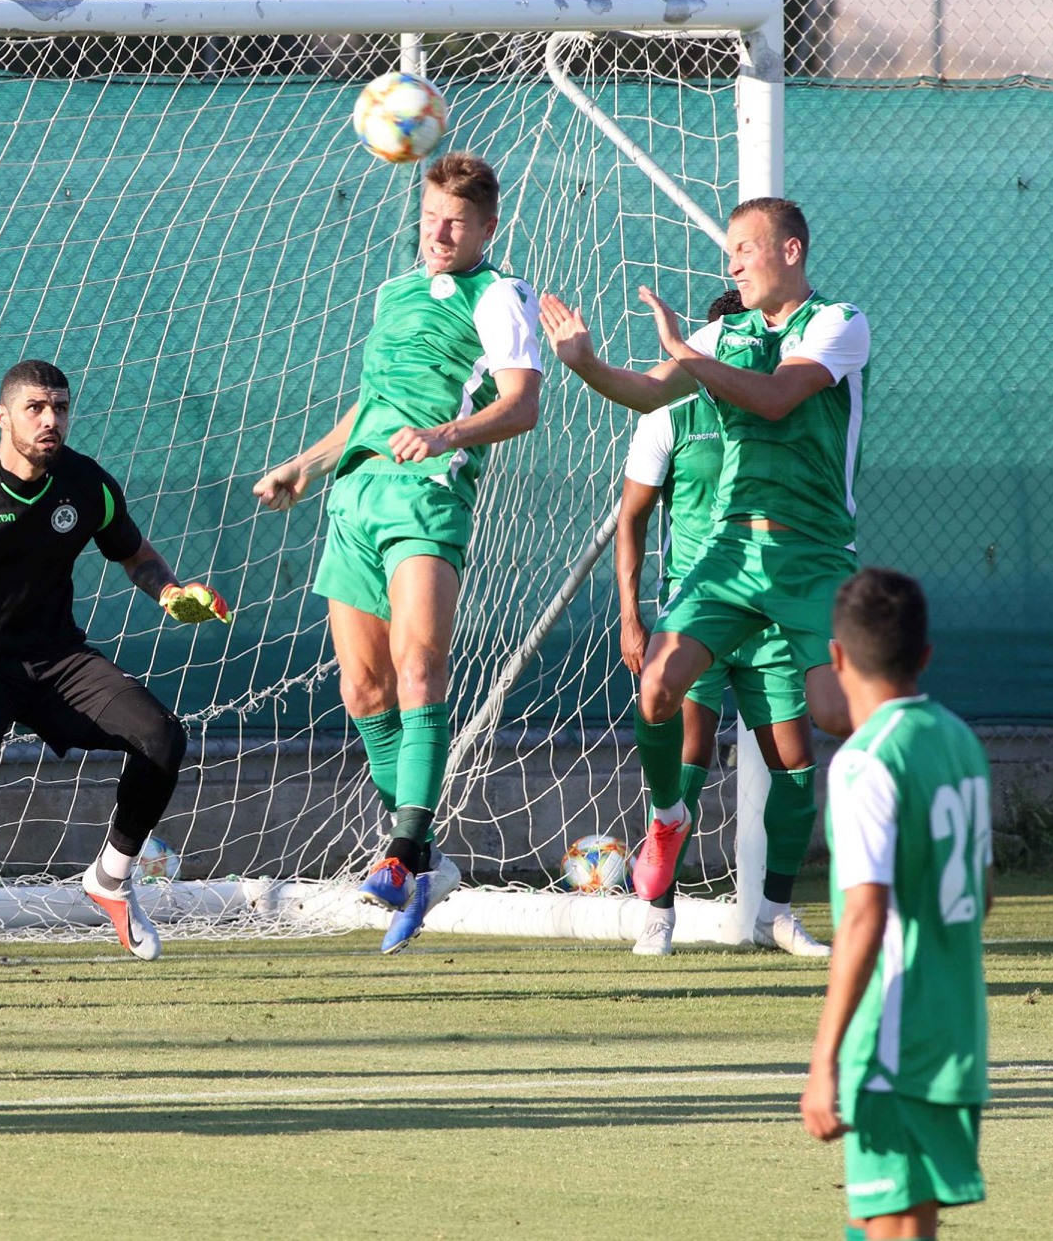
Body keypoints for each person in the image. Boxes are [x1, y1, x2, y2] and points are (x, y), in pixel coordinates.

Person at [540, 197, 866, 951]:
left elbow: (781, 398)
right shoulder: (721, 334)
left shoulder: (839, 322)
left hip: (813, 555)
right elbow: (650, 393)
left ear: (790, 250)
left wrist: (684, 350)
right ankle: (666, 818)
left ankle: (797, 898)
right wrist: (586, 363)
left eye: (744, 249)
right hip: (725, 555)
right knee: (657, 687)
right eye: (729, 253)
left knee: (832, 717)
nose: (732, 265)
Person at [0, 359, 229, 1012]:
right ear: (2, 416)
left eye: (60, 406)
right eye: (35, 407)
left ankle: (111, 878)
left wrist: (169, 590)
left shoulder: (85, 483)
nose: (51, 419)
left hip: (57, 660)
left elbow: (134, 553)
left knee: (163, 737)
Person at [253, 152, 542, 952]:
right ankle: (425, 860)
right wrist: (303, 469)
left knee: (421, 670)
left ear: (488, 226)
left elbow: (522, 404)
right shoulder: (394, 292)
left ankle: (402, 850)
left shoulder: (500, 296)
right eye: (429, 216)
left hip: (428, 493)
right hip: (354, 496)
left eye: (455, 221)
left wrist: (447, 432)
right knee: (363, 690)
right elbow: (369, 407)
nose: (438, 232)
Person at [614, 289, 828, 957]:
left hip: (769, 615)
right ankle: (658, 913)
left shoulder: (785, 414)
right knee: (687, 762)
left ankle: (775, 915)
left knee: (794, 764)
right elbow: (633, 518)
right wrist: (631, 613)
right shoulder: (671, 414)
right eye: (731, 341)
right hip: (700, 608)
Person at [802, 568, 990, 1240]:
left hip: (892, 1038)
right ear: (926, 656)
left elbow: (864, 914)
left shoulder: (864, 762)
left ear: (837, 657)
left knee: (892, 1225)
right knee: (892, 1221)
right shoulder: (961, 741)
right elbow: (981, 891)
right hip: (955, 1027)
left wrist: (824, 1058)